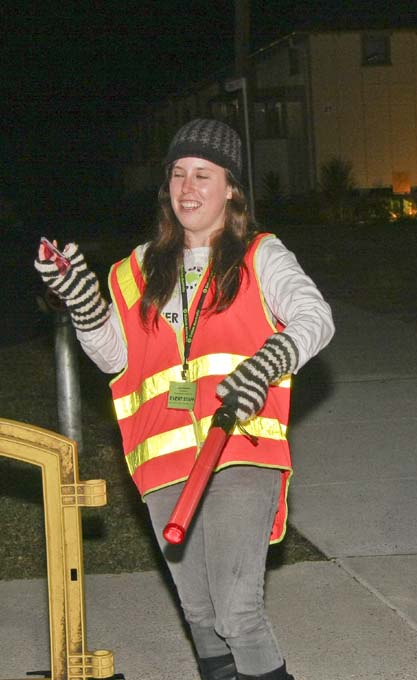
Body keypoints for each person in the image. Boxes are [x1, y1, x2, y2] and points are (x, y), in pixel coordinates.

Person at [35, 118, 334, 680]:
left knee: (237, 611)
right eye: (178, 174)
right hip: (165, 463)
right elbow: (112, 358)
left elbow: (316, 318)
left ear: (231, 189)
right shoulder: (135, 269)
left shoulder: (260, 256)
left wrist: (266, 363)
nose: (188, 187)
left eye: (203, 174)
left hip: (239, 453)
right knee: (199, 612)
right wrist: (83, 301)